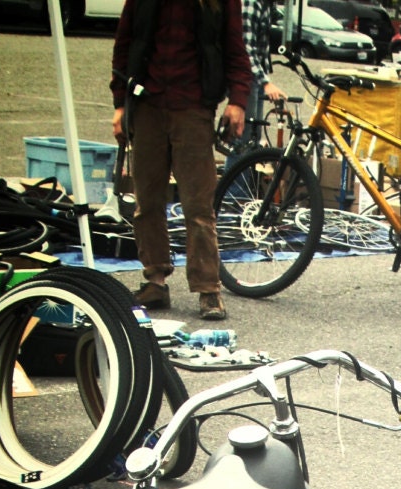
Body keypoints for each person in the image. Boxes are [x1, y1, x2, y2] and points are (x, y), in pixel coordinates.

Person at [112, 0, 251, 321]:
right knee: (146, 201)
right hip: (146, 106)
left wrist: (238, 102)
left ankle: (208, 289)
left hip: (194, 108)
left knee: (198, 206)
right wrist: (120, 104)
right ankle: (155, 280)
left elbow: (235, 49)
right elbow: (124, 45)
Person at [241, 0, 285, 140]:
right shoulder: (251, 4)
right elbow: (246, 50)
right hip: (246, 78)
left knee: (254, 136)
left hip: (256, 78)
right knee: (244, 140)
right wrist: (266, 83)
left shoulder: (266, 5)